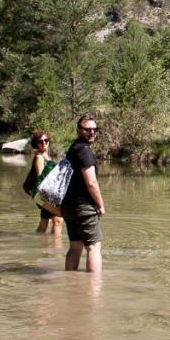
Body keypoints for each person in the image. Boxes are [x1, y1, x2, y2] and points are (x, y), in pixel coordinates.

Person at [63, 114, 106, 273]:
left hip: (68, 206)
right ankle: (93, 290)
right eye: (88, 129)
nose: (92, 133)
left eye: (95, 129)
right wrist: (100, 205)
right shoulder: (84, 152)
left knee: (75, 247)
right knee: (94, 247)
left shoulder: (73, 148)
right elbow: (91, 182)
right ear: (78, 131)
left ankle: (69, 281)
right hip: (83, 207)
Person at [26, 130, 63, 236]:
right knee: (58, 220)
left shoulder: (47, 157)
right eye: (40, 141)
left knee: (44, 223)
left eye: (46, 140)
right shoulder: (39, 157)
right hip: (45, 194)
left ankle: (40, 245)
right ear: (36, 144)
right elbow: (41, 178)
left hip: (47, 194)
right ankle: (56, 250)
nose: (44, 143)